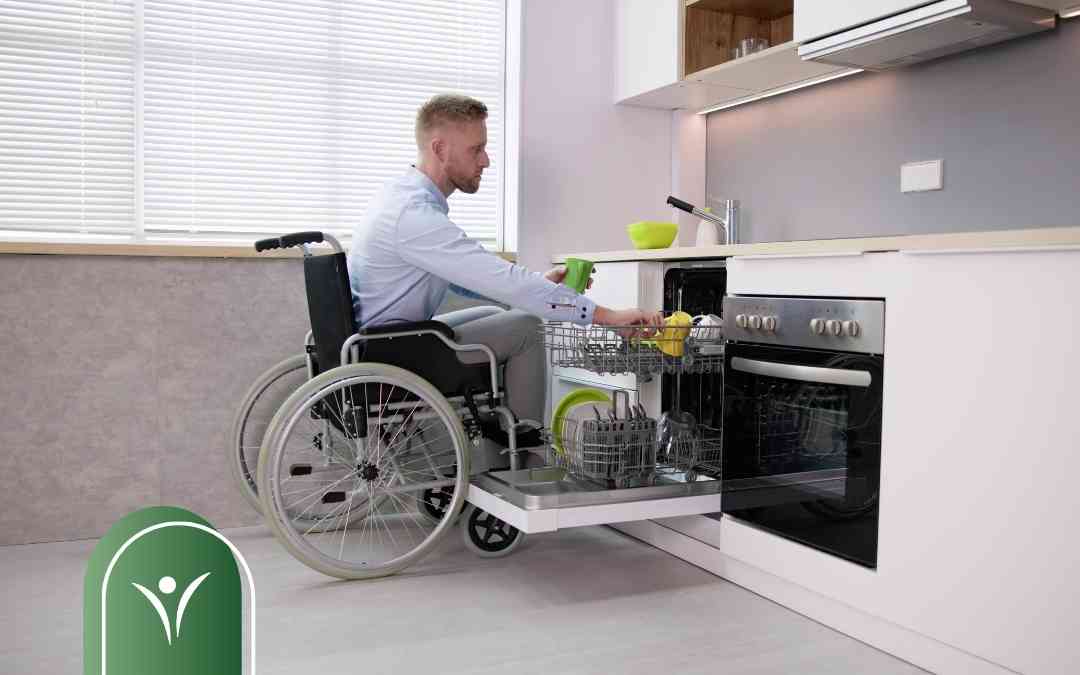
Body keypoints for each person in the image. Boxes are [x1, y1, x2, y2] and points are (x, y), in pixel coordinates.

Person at [349, 93, 661, 431]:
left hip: (379, 343)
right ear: (440, 149)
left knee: (499, 315)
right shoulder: (413, 215)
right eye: (476, 149)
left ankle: (502, 434)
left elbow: (468, 277)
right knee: (526, 328)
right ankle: (523, 454)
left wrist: (539, 284)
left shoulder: (401, 197)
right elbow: (499, 277)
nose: (485, 160)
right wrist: (608, 317)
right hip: (390, 357)